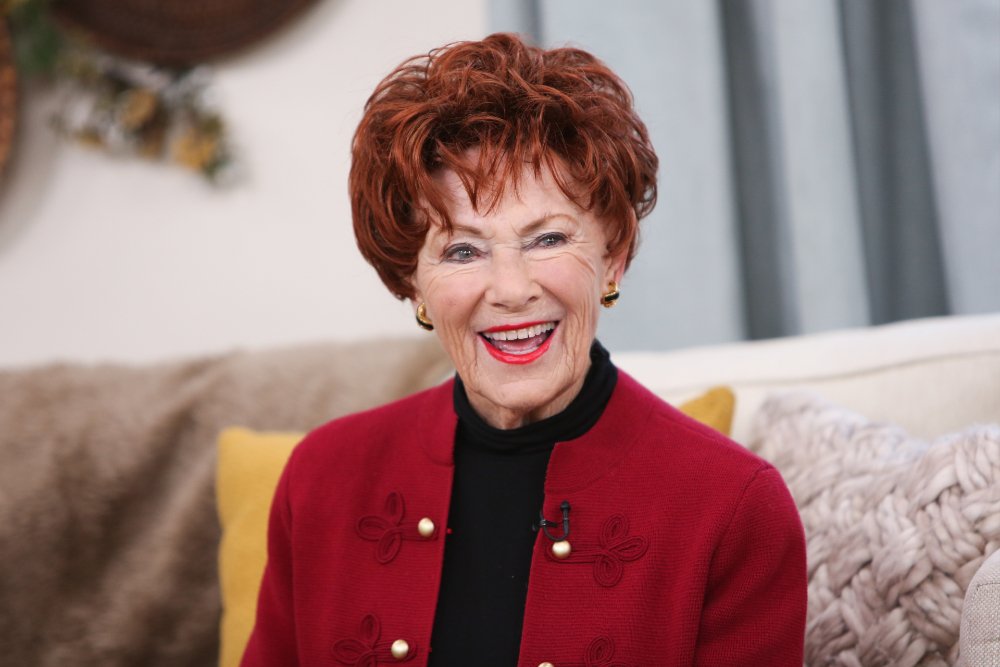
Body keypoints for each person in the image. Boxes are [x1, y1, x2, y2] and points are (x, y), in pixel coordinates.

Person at [242, 33, 806, 666]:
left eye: (547, 239)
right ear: (413, 280)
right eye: (462, 249)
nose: (511, 290)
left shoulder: (733, 507)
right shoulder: (322, 478)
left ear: (613, 257)